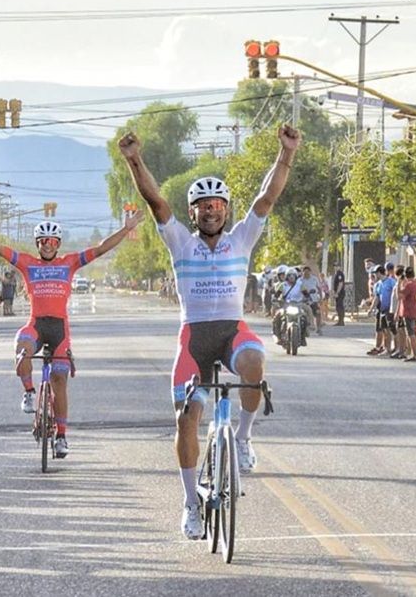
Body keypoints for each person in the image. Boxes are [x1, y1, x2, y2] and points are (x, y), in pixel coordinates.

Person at [119, 124, 299, 540]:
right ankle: (190, 503)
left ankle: (243, 438)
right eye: (203, 206)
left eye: (217, 204)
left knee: (255, 359)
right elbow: (155, 200)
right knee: (187, 418)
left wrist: (287, 153)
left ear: (226, 210)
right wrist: (134, 159)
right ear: (193, 212)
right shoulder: (181, 242)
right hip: (194, 341)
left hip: (232, 331)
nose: (210, 211)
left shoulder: (242, 239)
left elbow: (267, 196)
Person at [0, 205, 142, 458]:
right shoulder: (27, 263)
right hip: (36, 324)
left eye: (52, 241)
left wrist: (125, 229)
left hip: (59, 330)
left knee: (59, 381)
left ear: (58, 243)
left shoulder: (69, 263)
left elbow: (100, 249)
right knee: (22, 348)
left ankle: (61, 436)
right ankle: (29, 393)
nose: (47, 245)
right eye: (43, 241)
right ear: (37, 244)